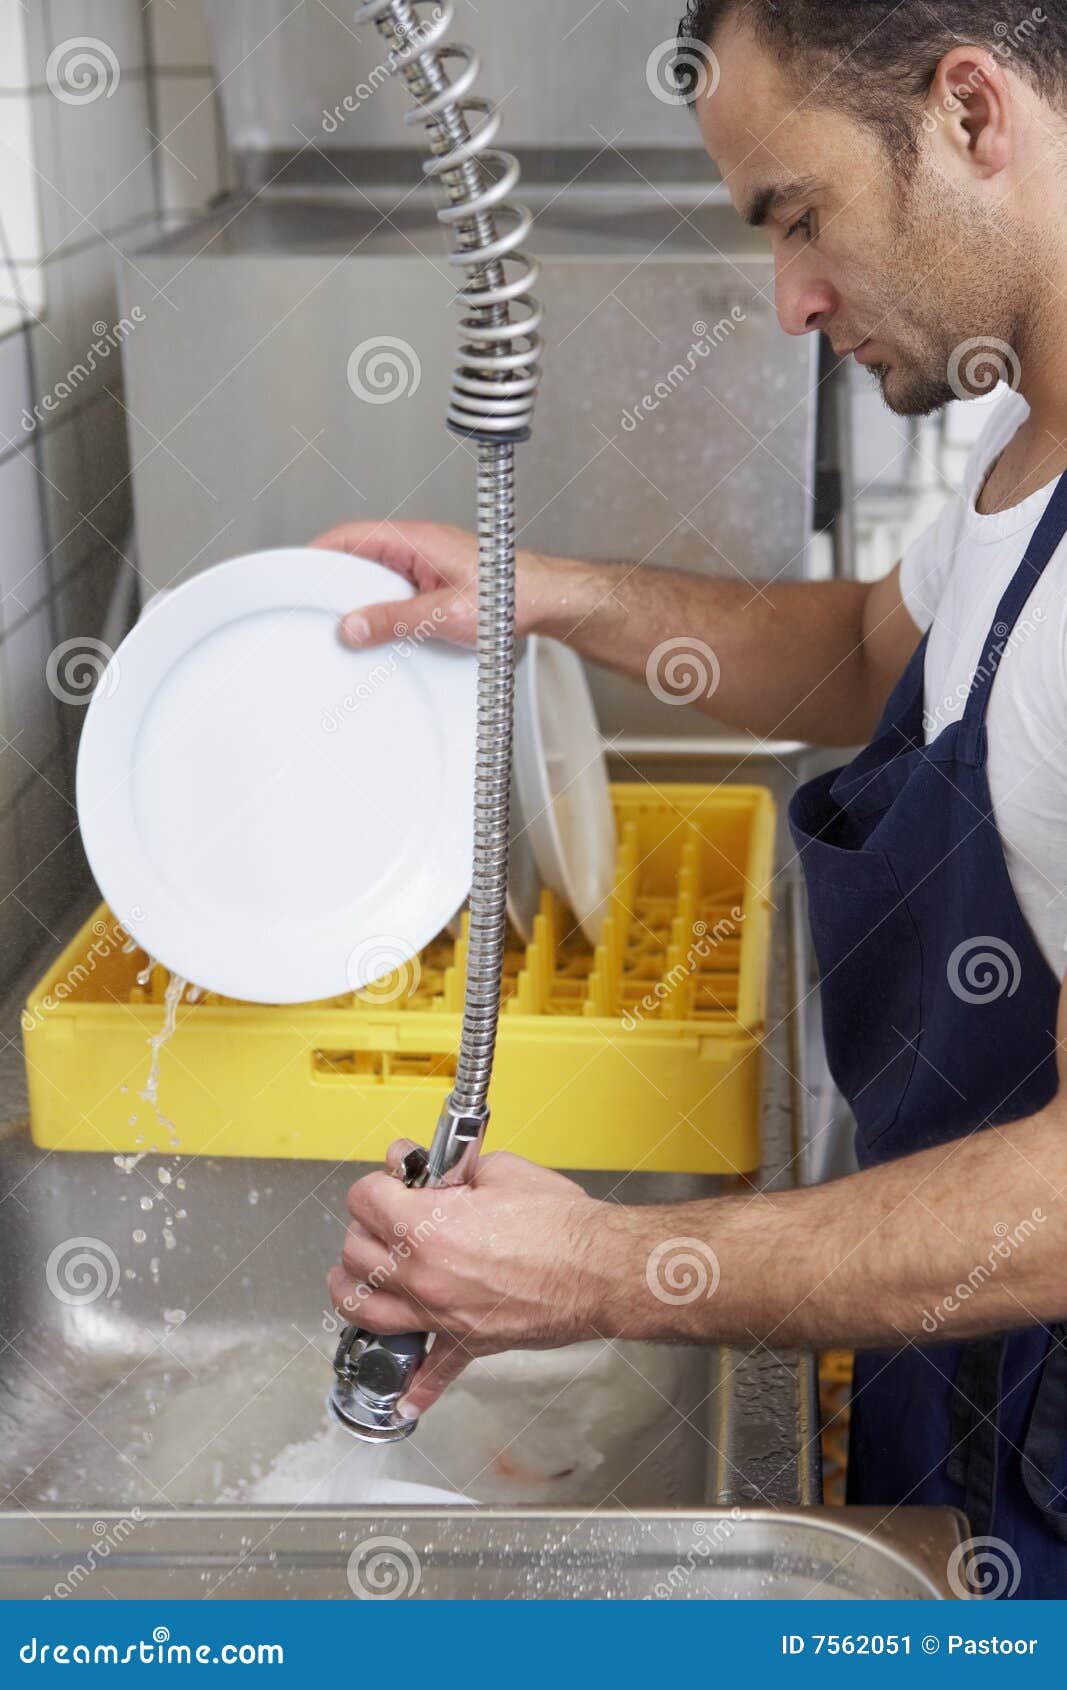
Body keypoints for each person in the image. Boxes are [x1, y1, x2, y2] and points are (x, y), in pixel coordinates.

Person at [318, 1, 1067, 1596]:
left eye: (800, 216)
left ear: (970, 112)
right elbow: (864, 653)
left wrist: (606, 1265)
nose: (793, 301)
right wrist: (545, 593)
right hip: (959, 1331)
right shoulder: (1028, 438)